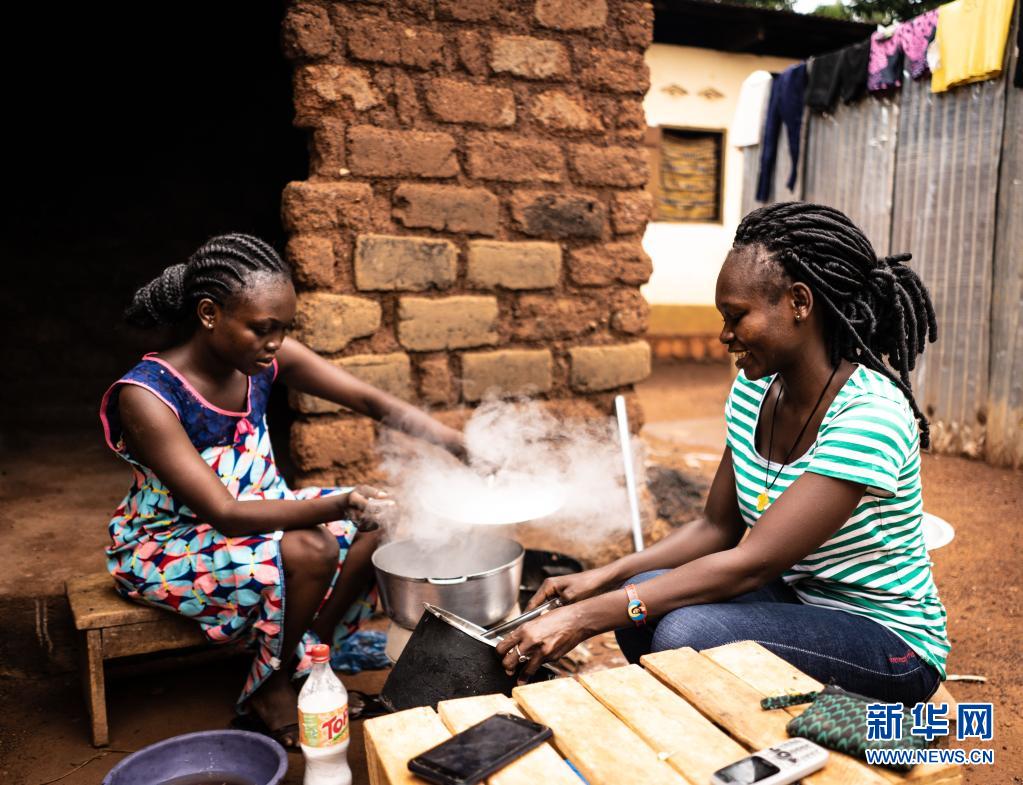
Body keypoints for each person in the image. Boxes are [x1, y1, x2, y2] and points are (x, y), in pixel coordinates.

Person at [497, 202, 949, 704]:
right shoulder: (755, 390)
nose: (724, 335)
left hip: (888, 640)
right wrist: (607, 576)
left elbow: (750, 563)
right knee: (645, 596)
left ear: (799, 302)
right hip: (798, 600)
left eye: (737, 316)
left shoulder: (870, 414)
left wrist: (585, 617)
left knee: (684, 631)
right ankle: (740, 725)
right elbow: (716, 528)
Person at [100, 233, 466, 746]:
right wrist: (339, 504)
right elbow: (225, 513)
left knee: (381, 517)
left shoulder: (262, 360)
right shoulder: (148, 395)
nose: (275, 342)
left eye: (283, 329)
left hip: (258, 516)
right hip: (170, 545)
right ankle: (269, 687)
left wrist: (459, 444)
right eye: (262, 328)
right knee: (312, 546)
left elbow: (370, 400)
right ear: (209, 314)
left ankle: (310, 658)